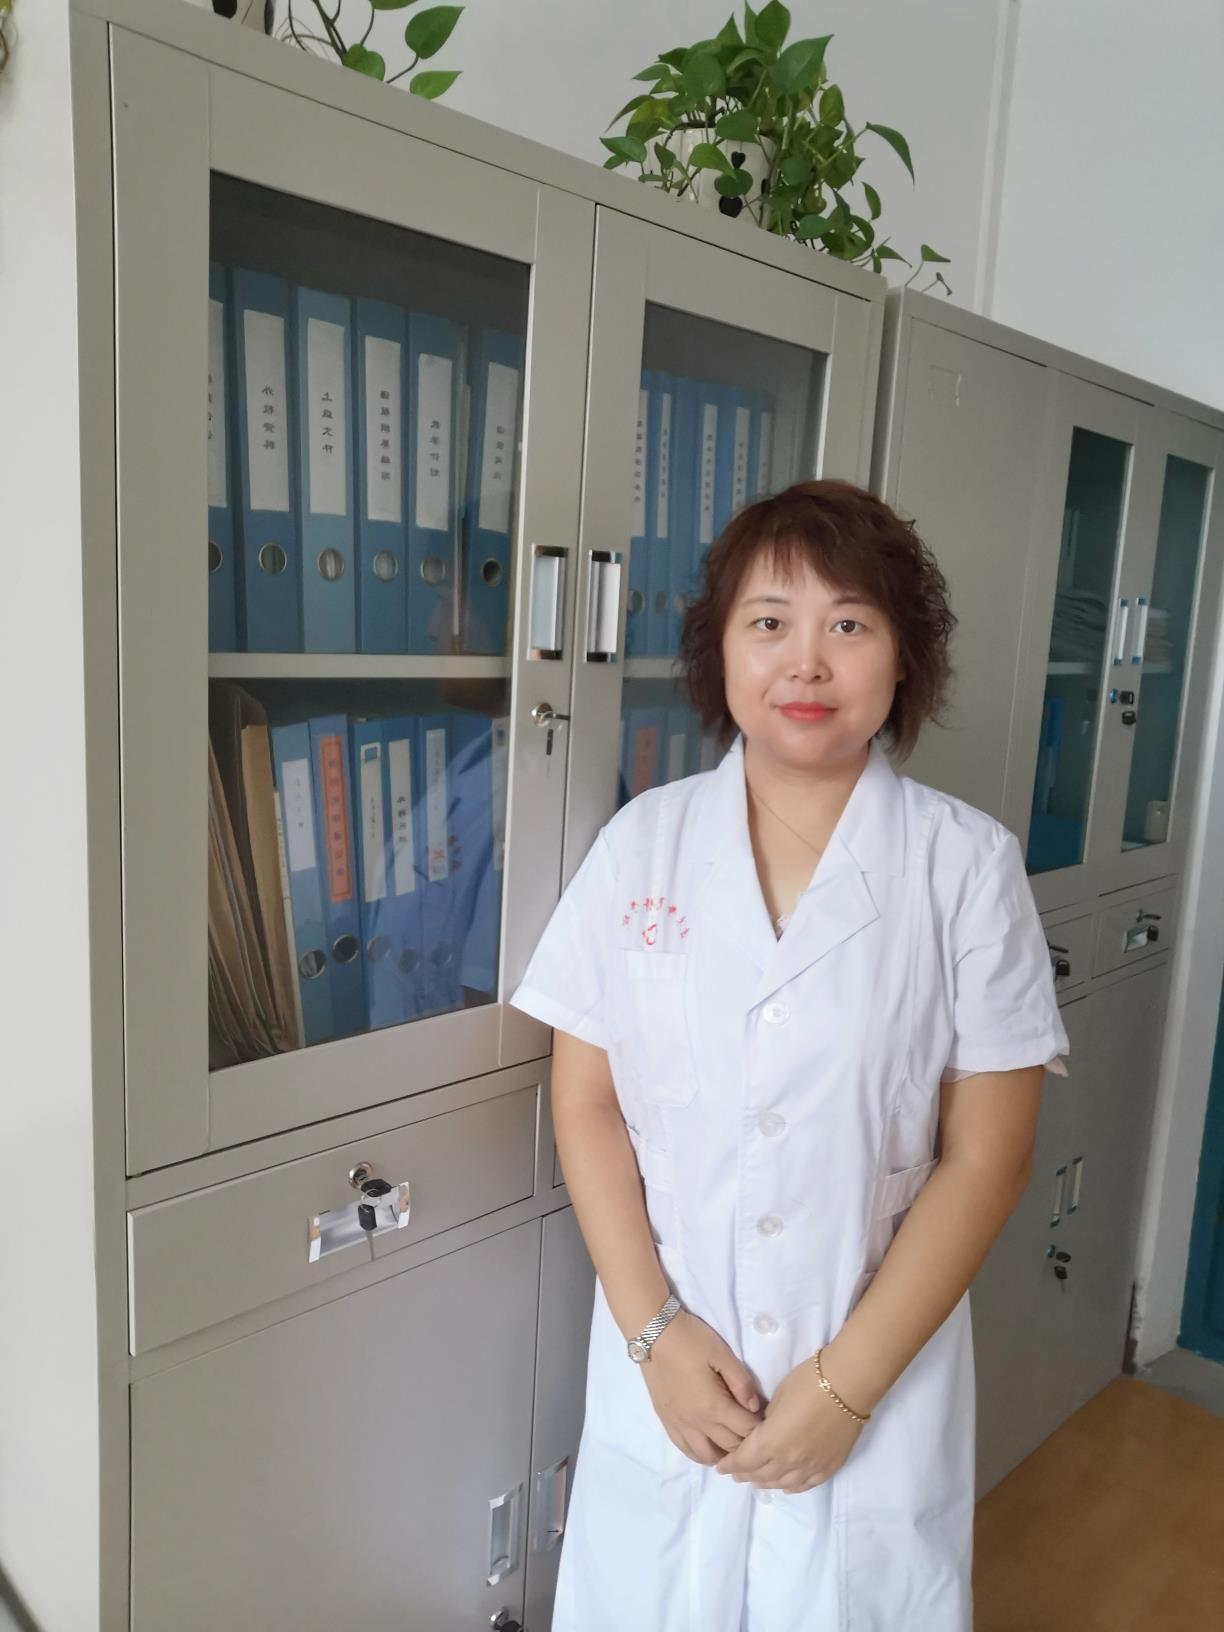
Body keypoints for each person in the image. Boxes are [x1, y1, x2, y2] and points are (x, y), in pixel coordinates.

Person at [509, 478, 1071, 1631]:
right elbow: (587, 1105)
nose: (805, 662)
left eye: (848, 623)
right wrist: (656, 1336)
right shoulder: (641, 846)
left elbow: (989, 1157)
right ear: (719, 651)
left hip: (872, 1378)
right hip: (670, 1367)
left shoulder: (967, 869)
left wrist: (845, 1388)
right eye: (768, 622)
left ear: (905, 659)